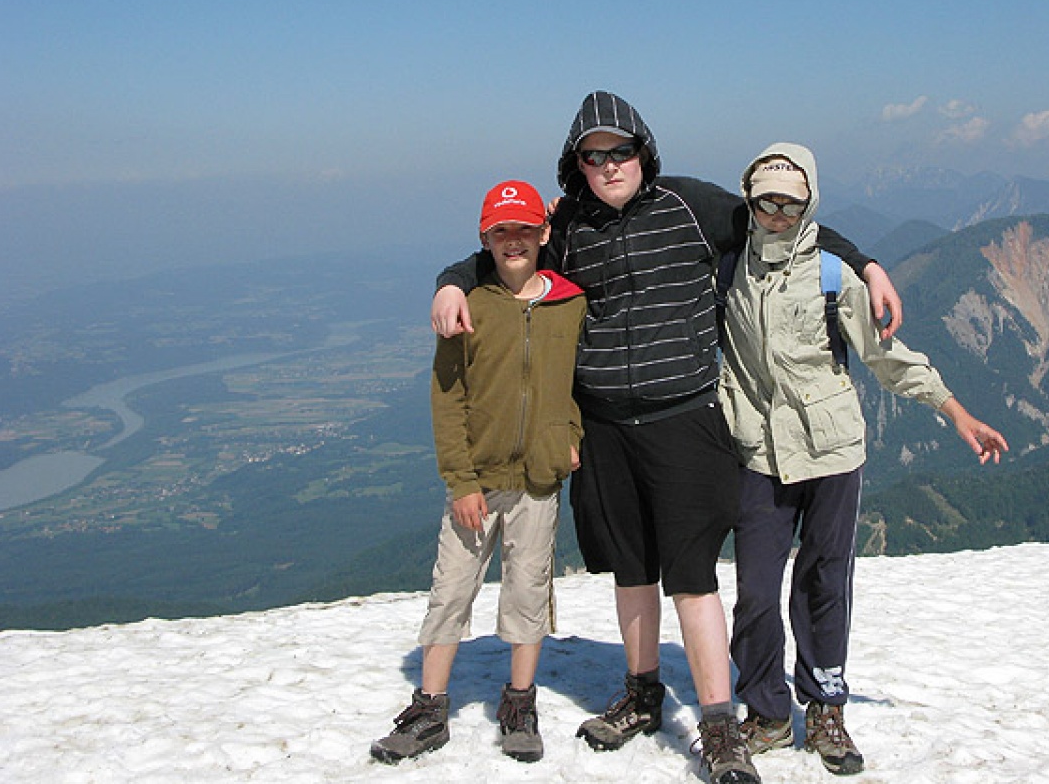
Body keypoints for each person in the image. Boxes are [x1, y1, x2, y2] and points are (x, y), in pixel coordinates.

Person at [429, 92, 903, 784]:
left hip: (685, 418)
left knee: (691, 576)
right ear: (577, 165)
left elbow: (781, 225)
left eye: (620, 150)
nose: (608, 163)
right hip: (607, 428)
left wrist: (866, 264)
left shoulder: (692, 205)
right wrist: (449, 282)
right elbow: (508, 254)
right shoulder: (569, 230)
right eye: (593, 155)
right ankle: (643, 692)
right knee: (631, 569)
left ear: (643, 151)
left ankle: (717, 725)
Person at [719, 143, 1008, 777]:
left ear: (809, 203)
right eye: (764, 201)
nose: (776, 213)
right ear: (748, 199)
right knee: (756, 594)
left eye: (790, 203)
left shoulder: (832, 274)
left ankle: (825, 706)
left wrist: (954, 411)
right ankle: (766, 713)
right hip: (759, 451)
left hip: (832, 452)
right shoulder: (726, 264)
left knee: (826, 584)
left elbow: (884, 357)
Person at [371, 180, 585, 766]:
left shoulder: (570, 302)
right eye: (500, 232)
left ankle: (520, 703)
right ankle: (430, 706)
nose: (513, 242)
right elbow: (448, 397)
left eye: (523, 230)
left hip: (540, 480)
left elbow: (573, 383)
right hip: (479, 482)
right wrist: (461, 482)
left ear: (544, 233)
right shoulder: (469, 306)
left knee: (527, 592)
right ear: (484, 239)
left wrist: (570, 437)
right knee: (451, 592)